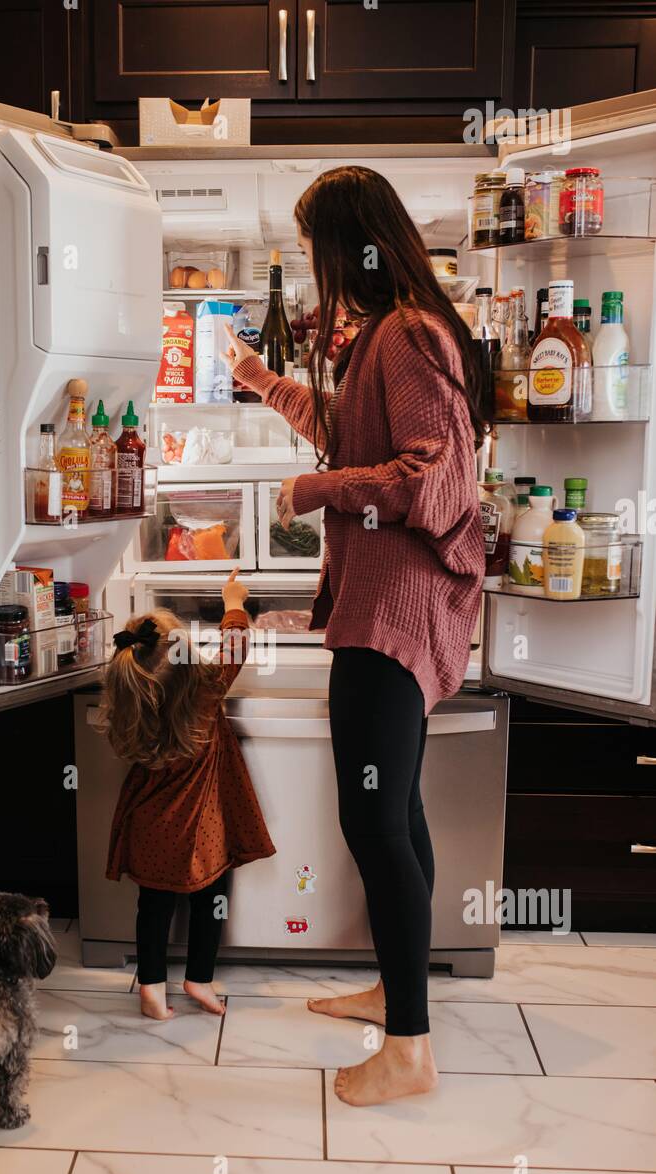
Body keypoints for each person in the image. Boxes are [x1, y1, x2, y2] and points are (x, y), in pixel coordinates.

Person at [223, 165, 486, 1106]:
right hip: (385, 603)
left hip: (393, 610)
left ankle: (408, 1050)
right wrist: (266, 386)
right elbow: (352, 431)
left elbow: (428, 480)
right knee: (397, 813)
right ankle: (396, 988)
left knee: (372, 821)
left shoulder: (408, 331)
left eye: (310, 246)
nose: (308, 263)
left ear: (346, 245)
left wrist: (313, 491)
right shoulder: (390, 331)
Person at [101, 569, 275, 1020]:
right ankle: (198, 978)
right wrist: (232, 601)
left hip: (149, 828)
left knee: (153, 907)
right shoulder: (207, 691)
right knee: (211, 900)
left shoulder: (131, 706)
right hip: (203, 831)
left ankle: (152, 989)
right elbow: (235, 644)